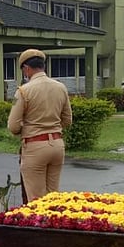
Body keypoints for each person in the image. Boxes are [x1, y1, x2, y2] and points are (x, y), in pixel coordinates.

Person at [7, 49, 72, 201]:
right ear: (43, 66)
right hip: (57, 145)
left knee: (36, 200)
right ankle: (54, 224)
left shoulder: (23, 91)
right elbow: (68, 120)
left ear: (26, 68)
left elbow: (13, 126)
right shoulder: (60, 87)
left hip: (35, 146)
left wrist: (29, 127)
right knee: (53, 197)